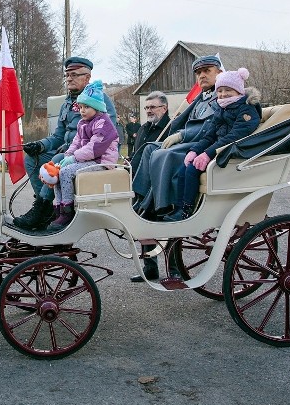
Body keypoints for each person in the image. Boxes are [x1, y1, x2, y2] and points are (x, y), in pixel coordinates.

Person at [12, 56, 117, 230]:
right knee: (32, 159)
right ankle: (46, 207)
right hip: (69, 152)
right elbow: (58, 136)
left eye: (74, 74)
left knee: (57, 160)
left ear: (87, 78)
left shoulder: (100, 100)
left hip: (91, 155)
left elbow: (104, 137)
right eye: (67, 75)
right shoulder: (67, 104)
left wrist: (71, 154)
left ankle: (43, 210)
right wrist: (39, 145)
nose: (69, 78)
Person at [165, 69, 261, 223]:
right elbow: (209, 135)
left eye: (228, 90)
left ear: (238, 91)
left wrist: (208, 153)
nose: (223, 94)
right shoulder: (221, 108)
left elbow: (235, 136)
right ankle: (179, 208)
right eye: (220, 91)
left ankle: (187, 210)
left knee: (191, 170)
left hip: (233, 151)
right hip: (219, 149)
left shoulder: (247, 109)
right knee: (183, 169)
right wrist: (194, 151)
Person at [132, 55, 223, 216]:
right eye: (198, 72)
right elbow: (184, 120)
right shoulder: (201, 98)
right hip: (189, 140)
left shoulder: (223, 96)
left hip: (202, 143)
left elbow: (211, 126)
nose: (202, 75)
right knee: (149, 148)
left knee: (163, 154)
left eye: (207, 71)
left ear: (220, 72)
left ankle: (161, 206)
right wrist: (176, 132)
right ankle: (140, 197)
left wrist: (181, 135)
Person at [46, 81, 119, 232]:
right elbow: (76, 142)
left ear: (97, 107)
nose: (83, 110)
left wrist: (74, 158)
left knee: (66, 172)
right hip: (89, 159)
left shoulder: (104, 124)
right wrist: (67, 156)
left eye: (87, 107)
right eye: (81, 107)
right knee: (59, 172)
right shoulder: (83, 123)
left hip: (101, 161)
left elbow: (95, 148)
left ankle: (67, 210)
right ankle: (58, 207)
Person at [127, 92, 171, 283]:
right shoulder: (144, 129)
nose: (148, 111)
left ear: (164, 108)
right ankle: (150, 268)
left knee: (169, 230)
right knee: (144, 228)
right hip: (141, 187)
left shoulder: (172, 127)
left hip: (162, 186)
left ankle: (175, 270)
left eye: (152, 107)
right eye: (146, 108)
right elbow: (137, 156)